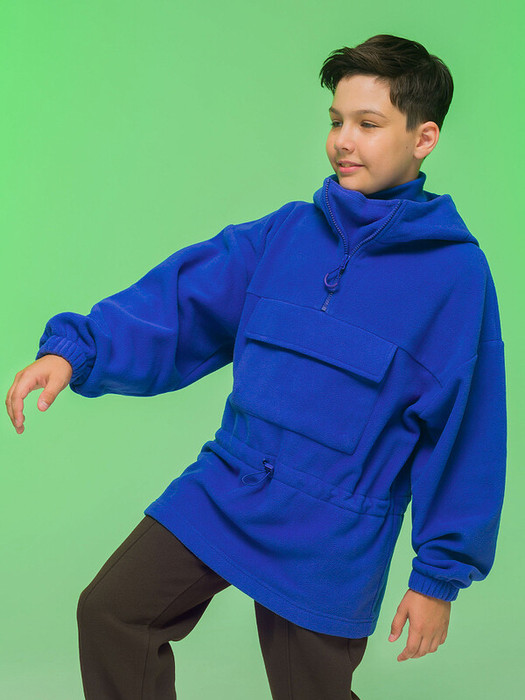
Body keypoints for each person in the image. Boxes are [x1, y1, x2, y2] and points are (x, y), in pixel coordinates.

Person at [5, 33, 507, 700]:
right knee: (113, 614)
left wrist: (437, 577)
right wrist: (77, 350)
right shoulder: (288, 233)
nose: (342, 141)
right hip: (228, 485)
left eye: (367, 124)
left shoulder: (455, 277)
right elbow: (183, 301)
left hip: (332, 531)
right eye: (335, 120)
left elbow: (467, 431)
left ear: (424, 138)